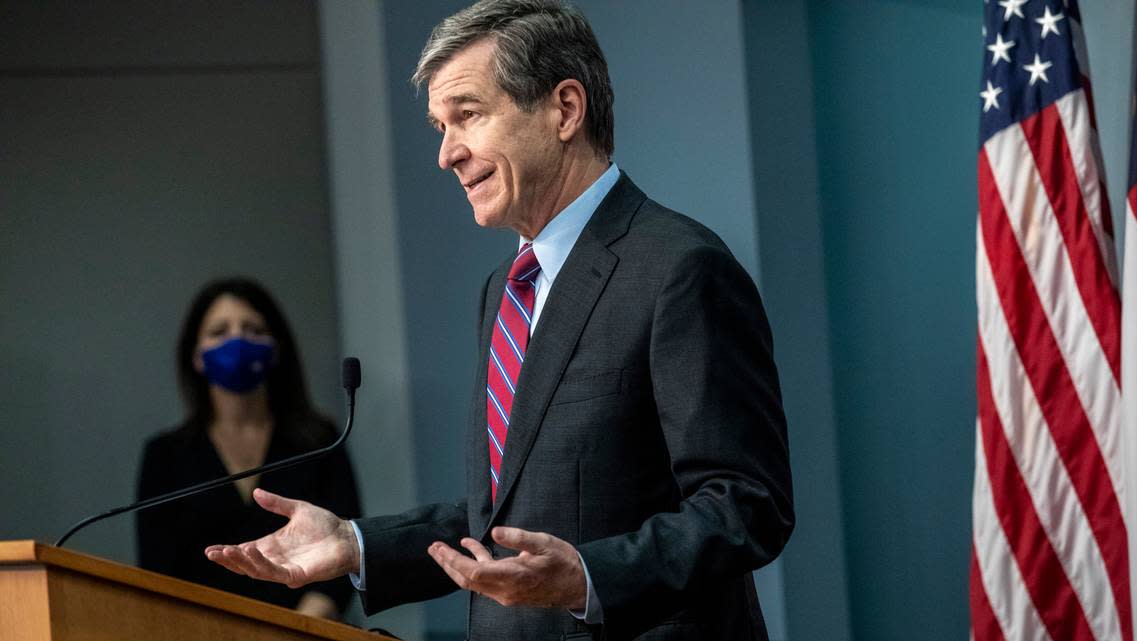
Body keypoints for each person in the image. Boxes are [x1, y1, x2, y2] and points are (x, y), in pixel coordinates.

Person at [205, 1, 794, 639]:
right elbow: (510, 514)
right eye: (439, 126)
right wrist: (356, 543)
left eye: (467, 115)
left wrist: (588, 578)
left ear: (564, 110)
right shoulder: (505, 289)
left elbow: (745, 506)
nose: (446, 154)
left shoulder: (679, 268)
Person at [137, 277, 362, 619]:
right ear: (196, 356)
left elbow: (344, 551)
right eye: (219, 331)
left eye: (253, 329)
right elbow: (158, 571)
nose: (237, 340)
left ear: (275, 350)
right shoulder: (165, 455)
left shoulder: (319, 441)